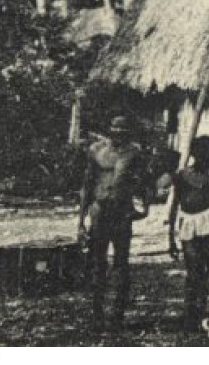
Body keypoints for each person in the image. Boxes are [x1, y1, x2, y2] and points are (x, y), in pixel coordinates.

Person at [78, 114, 147, 329]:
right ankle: (97, 314)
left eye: (123, 129)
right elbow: (87, 184)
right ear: (109, 129)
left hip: (122, 212)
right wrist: (80, 221)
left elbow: (144, 182)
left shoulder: (134, 153)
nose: (118, 133)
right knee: (98, 262)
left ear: (128, 132)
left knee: (121, 263)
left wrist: (145, 207)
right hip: (99, 210)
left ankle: (118, 314)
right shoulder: (96, 151)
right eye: (115, 128)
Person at [167, 134, 209, 330]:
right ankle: (189, 313)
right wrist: (171, 239)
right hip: (188, 224)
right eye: (200, 154)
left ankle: (201, 311)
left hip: (207, 224)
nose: (204, 159)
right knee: (193, 268)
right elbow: (174, 205)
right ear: (192, 154)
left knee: (204, 268)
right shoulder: (182, 176)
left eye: (208, 155)